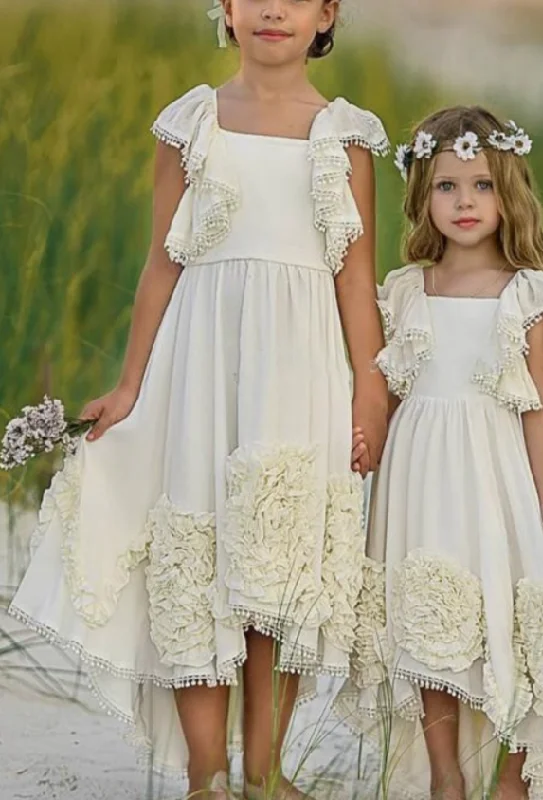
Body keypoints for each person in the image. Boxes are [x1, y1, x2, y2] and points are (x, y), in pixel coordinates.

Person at [9, 1, 390, 797]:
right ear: (225, 9)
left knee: (275, 560)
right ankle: (207, 775)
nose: (273, 10)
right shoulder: (192, 122)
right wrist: (128, 384)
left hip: (302, 363)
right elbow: (161, 261)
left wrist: (370, 387)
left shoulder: (345, 135)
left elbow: (356, 278)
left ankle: (267, 770)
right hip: (201, 358)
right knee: (199, 557)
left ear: (327, 15)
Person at [338, 106, 543, 800]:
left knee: (514, 618)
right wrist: (364, 441)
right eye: (447, 187)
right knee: (430, 622)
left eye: (482, 186)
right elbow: (387, 390)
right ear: (421, 197)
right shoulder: (406, 292)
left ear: (510, 193)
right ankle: (444, 778)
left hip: (496, 479)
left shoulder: (527, 295)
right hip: (419, 479)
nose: (465, 203)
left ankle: (513, 778)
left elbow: (541, 404)